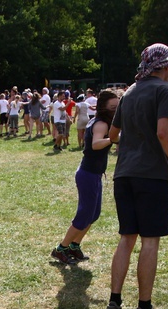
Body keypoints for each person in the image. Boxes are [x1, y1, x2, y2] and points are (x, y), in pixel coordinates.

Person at [104, 43, 168, 309]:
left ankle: (114, 302)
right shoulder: (167, 91)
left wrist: (134, 138)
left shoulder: (128, 92)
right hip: (152, 175)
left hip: (124, 174)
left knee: (126, 238)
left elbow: (114, 134)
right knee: (149, 240)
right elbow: (164, 133)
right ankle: (144, 308)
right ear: (165, 67)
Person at [51, 90, 120, 264]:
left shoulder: (99, 121)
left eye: (118, 107)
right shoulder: (101, 124)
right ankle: (61, 249)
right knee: (84, 214)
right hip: (88, 174)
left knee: (93, 214)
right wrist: (113, 139)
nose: (116, 110)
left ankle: (74, 245)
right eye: (113, 107)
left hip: (93, 174)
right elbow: (96, 144)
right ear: (104, 106)